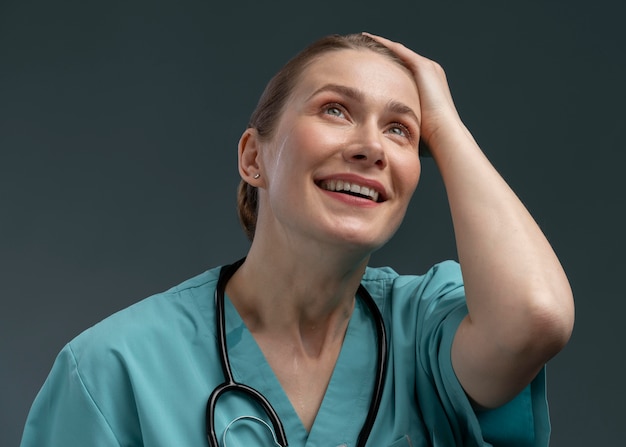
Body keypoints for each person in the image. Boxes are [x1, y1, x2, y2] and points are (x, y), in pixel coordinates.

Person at [20, 32, 574, 447]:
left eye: (400, 129)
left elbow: (537, 317)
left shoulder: (428, 329)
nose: (371, 147)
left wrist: (447, 124)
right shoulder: (114, 370)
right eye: (335, 109)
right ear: (253, 157)